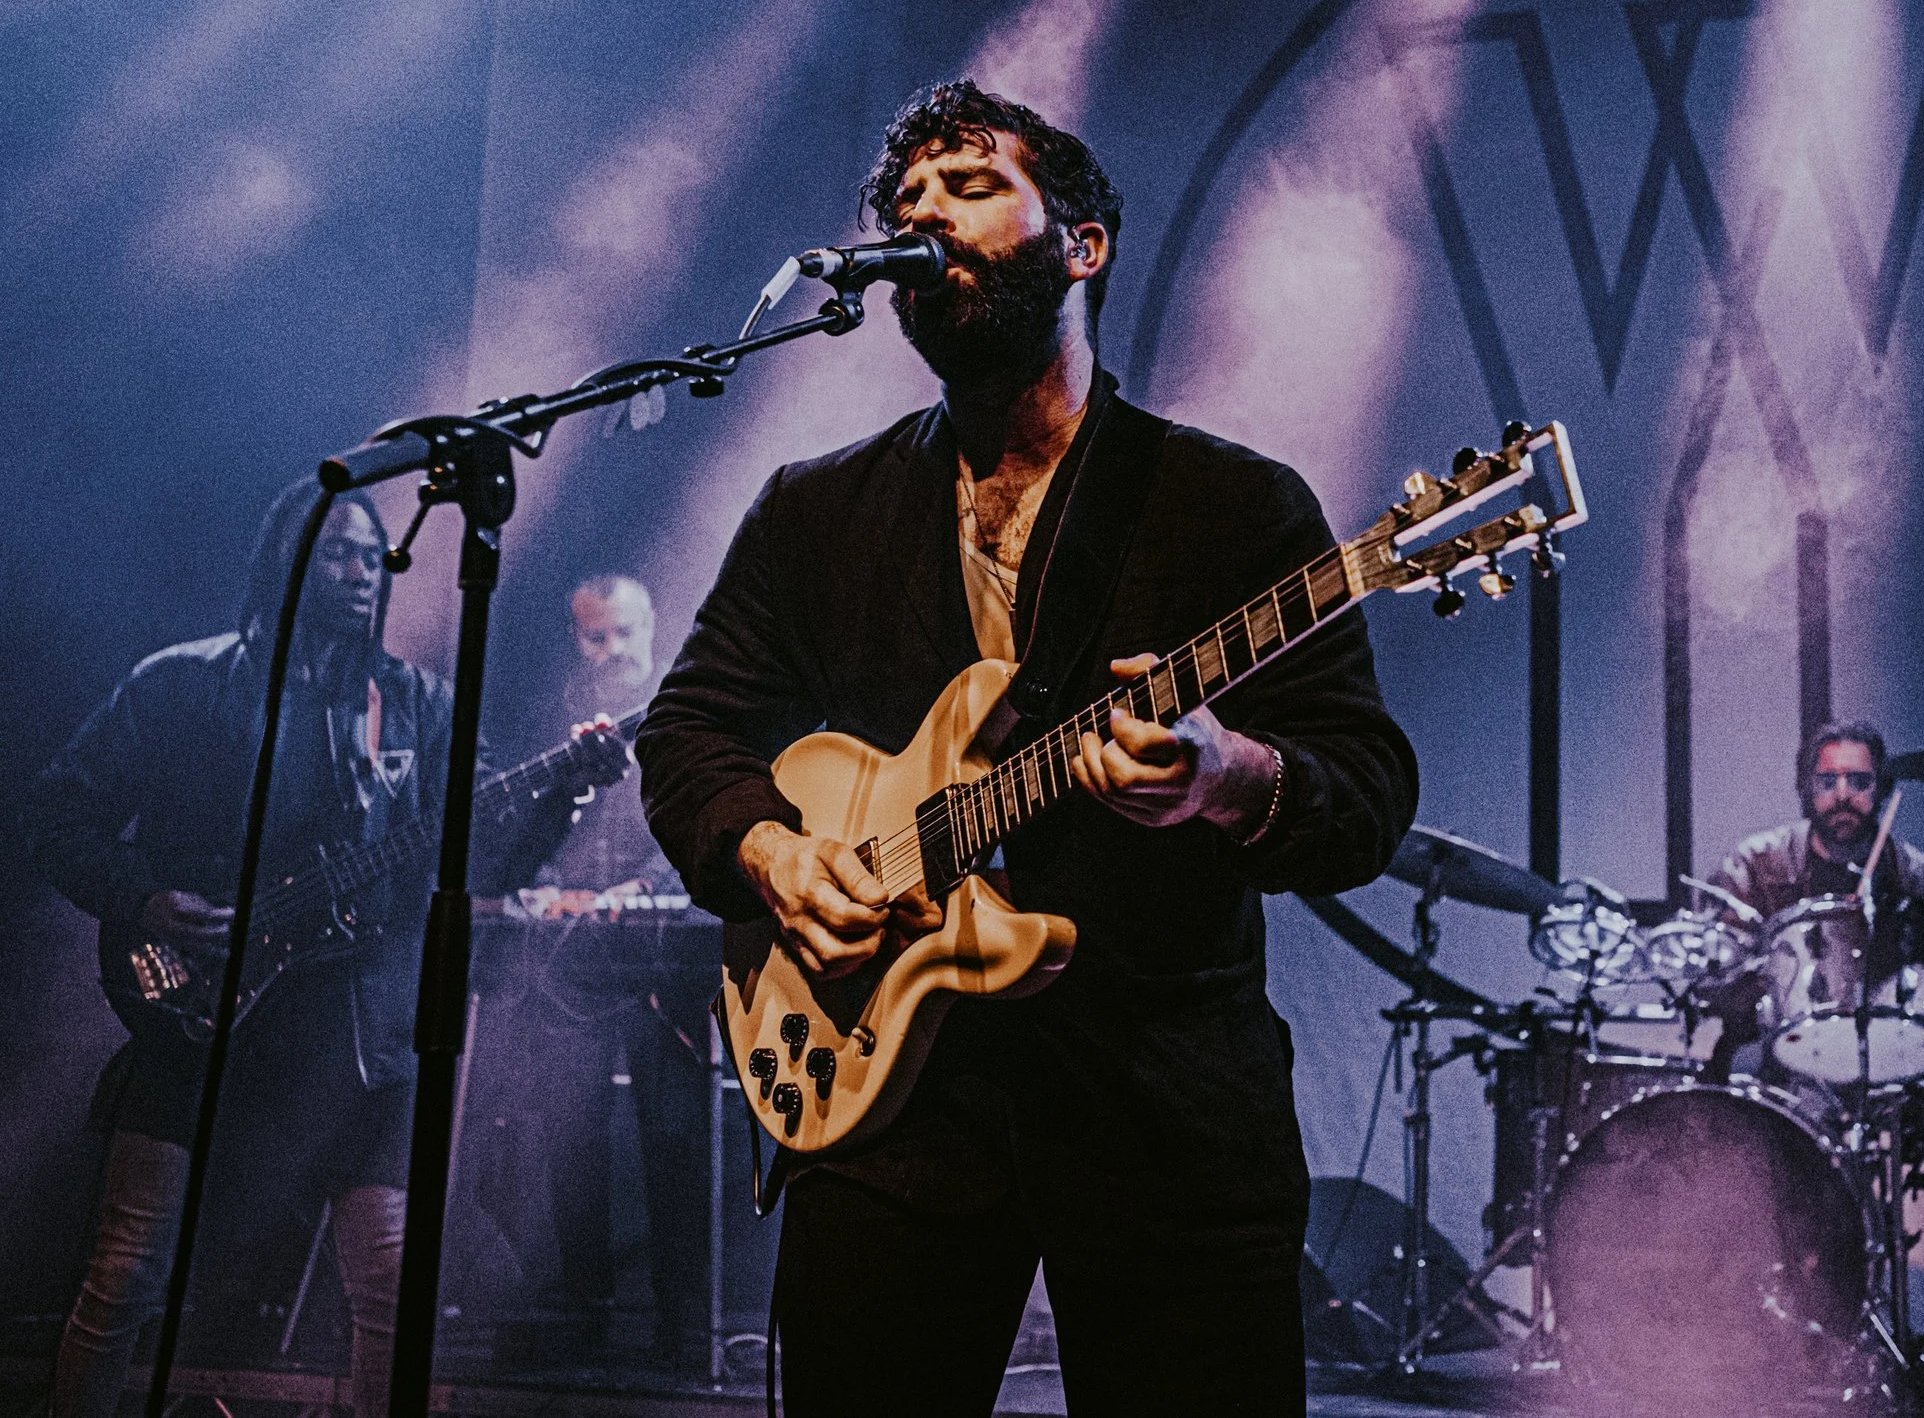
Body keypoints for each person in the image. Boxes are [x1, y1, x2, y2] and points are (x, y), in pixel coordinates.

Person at [637, 81, 1418, 1417]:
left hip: (1164, 1104)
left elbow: (1367, 789)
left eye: (970, 183)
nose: (923, 211)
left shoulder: (1231, 501)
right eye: (906, 199)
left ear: (1084, 240)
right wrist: (772, 851)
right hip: (892, 1098)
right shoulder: (818, 509)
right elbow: (689, 731)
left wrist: (1231, 774)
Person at [28, 482, 626, 1418]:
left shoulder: (415, 705)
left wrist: (567, 791)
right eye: (340, 553)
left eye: (371, 557)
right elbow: (57, 813)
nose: (361, 574)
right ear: (285, 561)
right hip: (198, 1014)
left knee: (390, 1287)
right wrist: (145, 899)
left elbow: (484, 854)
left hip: (355, 1040)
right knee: (126, 1272)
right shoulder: (182, 683)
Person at [500, 572, 712, 1374]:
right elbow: (528, 832)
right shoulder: (553, 724)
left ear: (654, 627)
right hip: (571, 968)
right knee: (570, 1136)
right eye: (598, 636)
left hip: (664, 960)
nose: (615, 649)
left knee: (674, 1137)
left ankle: (682, 1325)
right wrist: (548, 886)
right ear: (577, 640)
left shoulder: (682, 711)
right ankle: (582, 1311)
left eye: (626, 631)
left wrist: (641, 889)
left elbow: (705, 812)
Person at [1696, 721, 1924, 1078]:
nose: (1843, 794)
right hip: (1778, 1063)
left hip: (1890, 1062)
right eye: (1828, 781)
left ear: (1882, 788)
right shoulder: (1755, 865)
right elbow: (1717, 975)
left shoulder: (1915, 877)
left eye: (1859, 781)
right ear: (1806, 788)